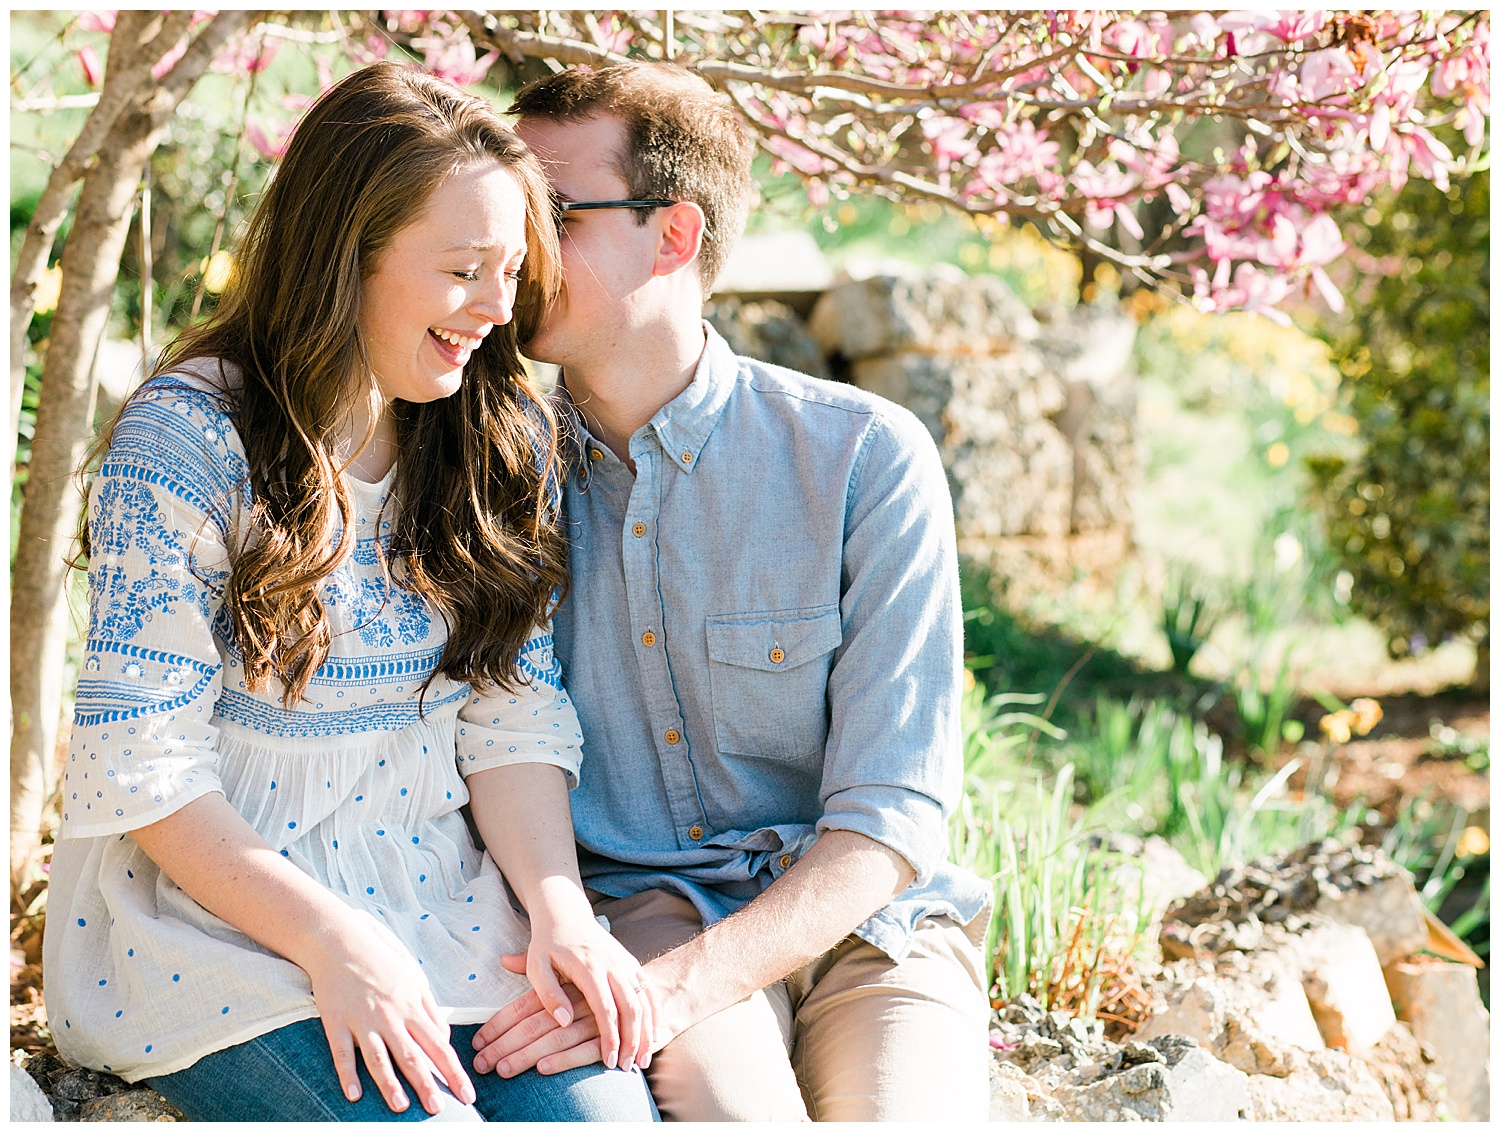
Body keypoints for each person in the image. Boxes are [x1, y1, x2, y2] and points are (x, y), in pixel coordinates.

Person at [42, 62, 658, 1123]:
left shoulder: (496, 437)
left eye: (511, 269)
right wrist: (332, 938)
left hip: (443, 903)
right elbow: (143, 764)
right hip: (223, 922)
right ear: (348, 257)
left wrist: (561, 913)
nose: (498, 309)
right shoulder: (188, 442)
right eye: (465, 269)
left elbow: (506, 708)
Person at [469, 63, 995, 1121]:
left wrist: (668, 996)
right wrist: (648, 979)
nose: (515, 249)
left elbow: (889, 819)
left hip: (874, 934)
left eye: (554, 213)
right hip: (647, 915)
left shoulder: (862, 459)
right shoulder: (492, 479)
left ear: (675, 236)